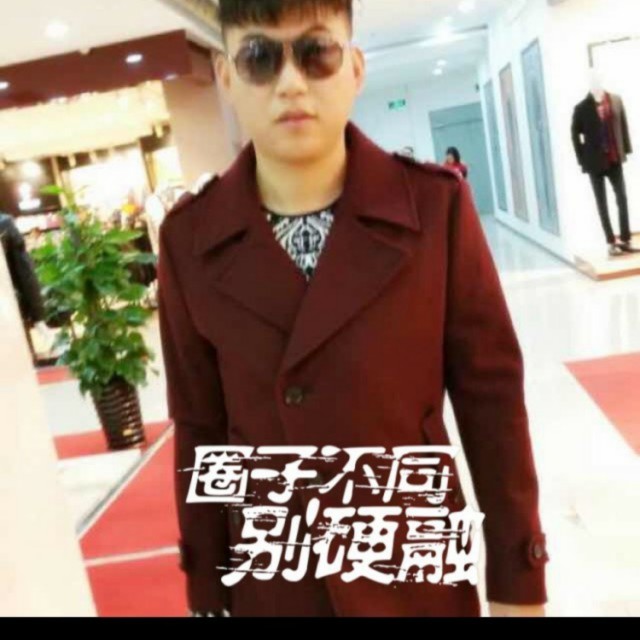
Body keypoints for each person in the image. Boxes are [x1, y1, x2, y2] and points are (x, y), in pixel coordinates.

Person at [157, 0, 549, 618]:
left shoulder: (434, 209)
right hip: (277, 585)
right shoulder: (189, 239)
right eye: (259, 57)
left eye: (316, 52)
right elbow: (200, 426)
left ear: (356, 68)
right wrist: (206, 592)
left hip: (413, 575)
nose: (291, 83)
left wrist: (518, 580)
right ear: (227, 76)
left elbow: (491, 402)